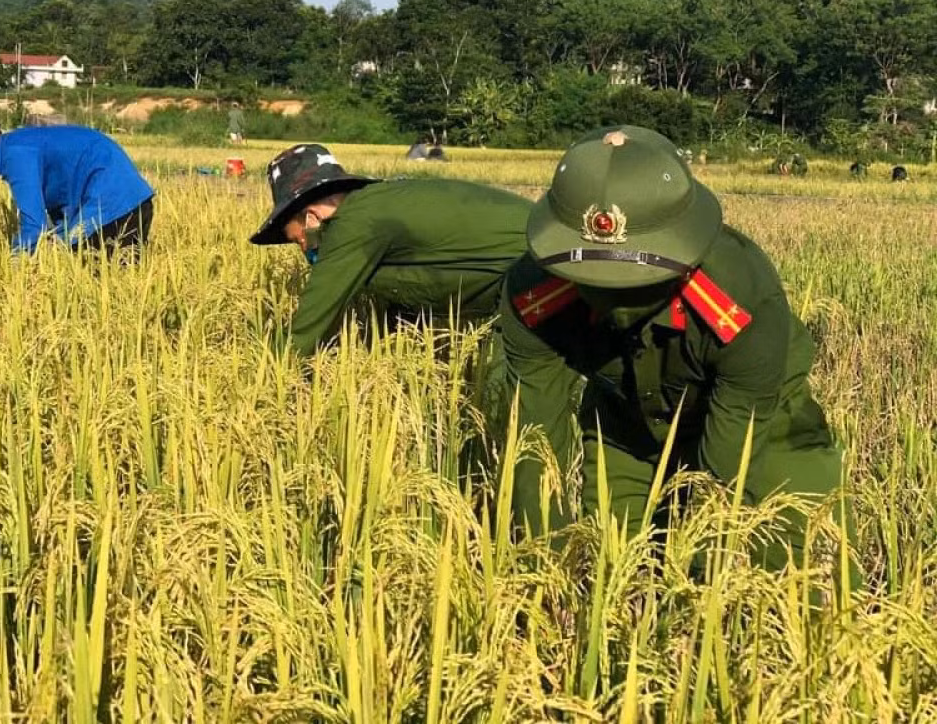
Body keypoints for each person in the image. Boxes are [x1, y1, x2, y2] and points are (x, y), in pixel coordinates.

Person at [497, 126, 852, 574]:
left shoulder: (740, 296)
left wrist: (700, 578)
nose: (615, 301)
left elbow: (728, 464)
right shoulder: (532, 297)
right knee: (613, 568)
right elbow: (535, 435)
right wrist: (542, 565)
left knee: (807, 579)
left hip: (762, 420)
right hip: (624, 418)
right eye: (594, 282)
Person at [249, 143, 532, 356]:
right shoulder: (376, 206)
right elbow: (409, 295)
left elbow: (307, 328)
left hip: (538, 270)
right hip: (540, 264)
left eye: (297, 238)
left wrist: (264, 367)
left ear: (310, 218)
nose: (303, 248)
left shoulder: (355, 223)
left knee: (513, 404)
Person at [0, 110, 155, 256]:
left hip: (112, 209)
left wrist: (8, 271)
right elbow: (61, 209)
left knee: (87, 282)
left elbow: (34, 226)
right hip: (135, 203)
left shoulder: (16, 154)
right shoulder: (22, 144)